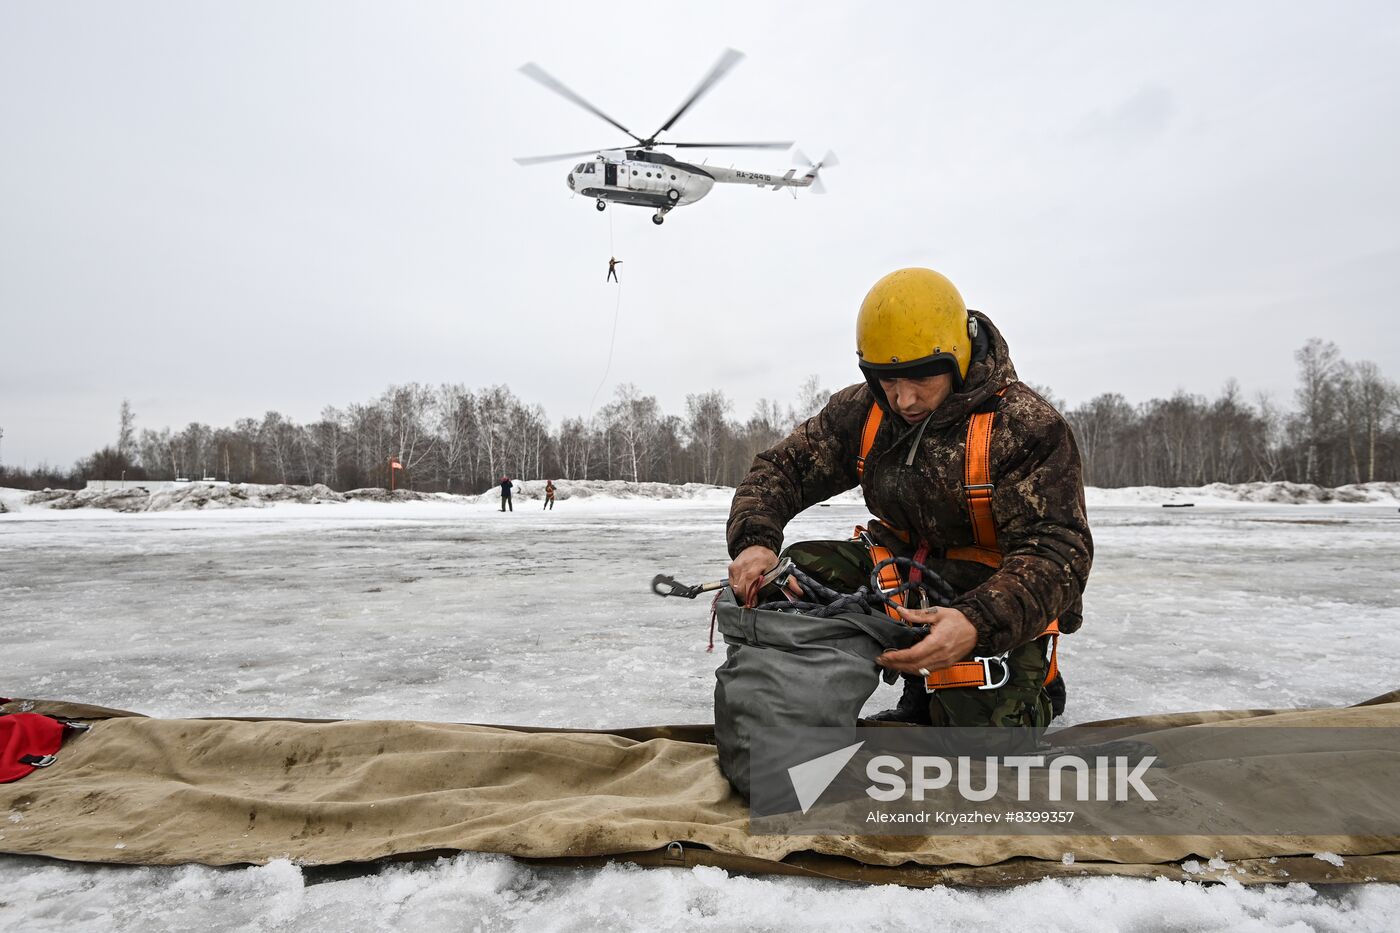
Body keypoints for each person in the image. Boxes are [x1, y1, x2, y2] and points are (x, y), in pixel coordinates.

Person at [726, 268, 1092, 728]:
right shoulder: (861, 410)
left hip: (991, 592)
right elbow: (781, 471)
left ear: (956, 360)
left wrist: (976, 622)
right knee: (789, 580)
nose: (904, 399)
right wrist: (754, 541)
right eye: (888, 380)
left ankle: (1033, 683)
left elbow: (1059, 554)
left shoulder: (1024, 427)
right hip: (898, 573)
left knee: (982, 741)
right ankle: (823, 713)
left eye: (921, 379)